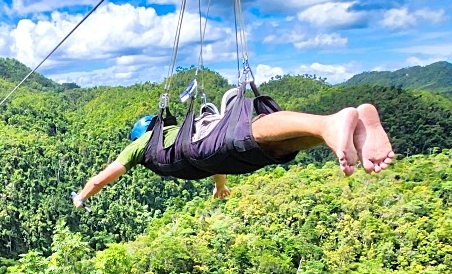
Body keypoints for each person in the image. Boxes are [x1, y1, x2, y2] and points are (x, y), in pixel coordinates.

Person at [73, 87, 394, 207]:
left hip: (200, 153)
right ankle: (342, 132)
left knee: (249, 136)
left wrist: (81, 197)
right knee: (272, 149)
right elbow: (215, 159)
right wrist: (220, 187)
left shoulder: (143, 144)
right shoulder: (182, 134)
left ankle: (328, 123)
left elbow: (101, 178)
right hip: (209, 156)